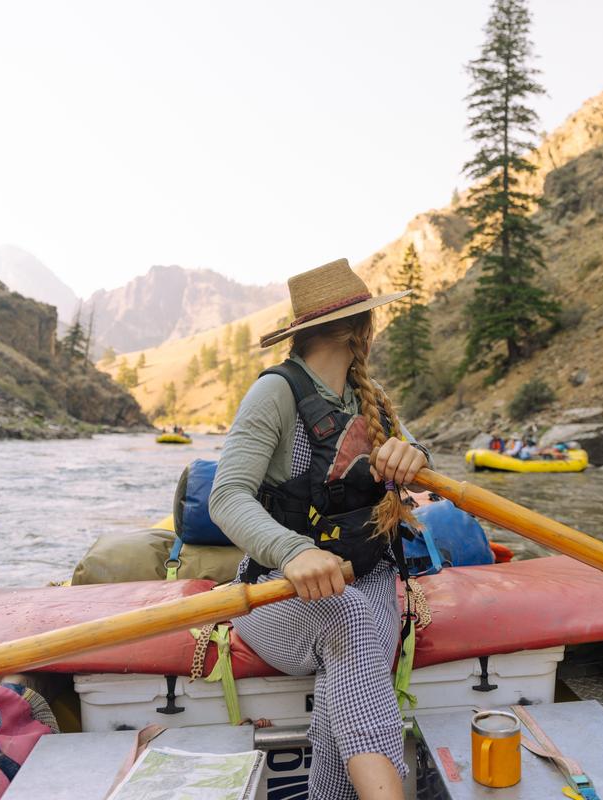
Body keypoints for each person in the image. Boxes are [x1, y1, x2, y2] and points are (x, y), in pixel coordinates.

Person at [208, 258, 429, 800]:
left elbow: (424, 465)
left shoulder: (370, 400)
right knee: (350, 619)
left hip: (369, 581)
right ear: (363, 329)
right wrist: (291, 552)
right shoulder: (275, 394)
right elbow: (226, 496)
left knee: (351, 648)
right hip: (277, 595)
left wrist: (414, 453)